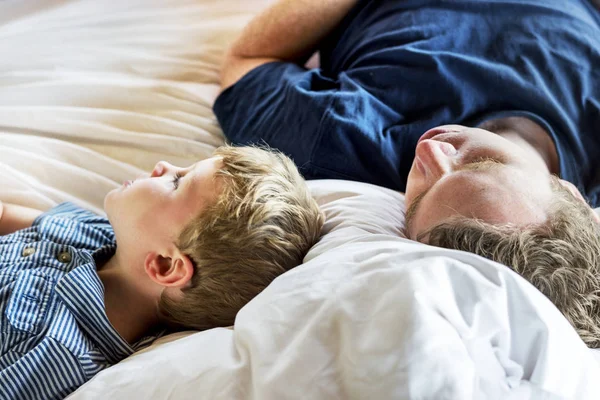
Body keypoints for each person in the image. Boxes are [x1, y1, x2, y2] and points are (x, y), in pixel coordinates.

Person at [213, 0, 600, 346]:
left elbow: (248, 58)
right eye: (484, 164)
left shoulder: (339, 140)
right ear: (570, 191)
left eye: (417, 199)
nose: (431, 150)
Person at [0, 145, 324, 400]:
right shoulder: (100, 234)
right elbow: (6, 215)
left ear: (166, 266)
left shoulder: (61, 354)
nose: (162, 166)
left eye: (176, 181)